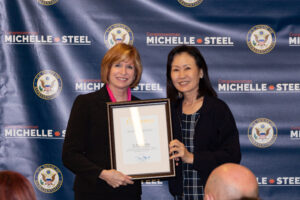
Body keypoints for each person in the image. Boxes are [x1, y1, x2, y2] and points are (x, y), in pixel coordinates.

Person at [62, 43, 143, 200]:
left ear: (136, 73)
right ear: (108, 69)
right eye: (117, 65)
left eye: (130, 67)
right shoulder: (86, 103)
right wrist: (103, 174)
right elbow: (70, 155)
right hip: (92, 192)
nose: (123, 72)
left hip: (129, 194)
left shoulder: (142, 108)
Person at [167, 45, 241, 200]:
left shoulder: (218, 109)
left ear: (200, 72)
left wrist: (192, 158)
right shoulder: (169, 111)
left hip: (213, 195)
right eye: (175, 70)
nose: (181, 75)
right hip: (181, 196)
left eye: (187, 68)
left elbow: (233, 155)